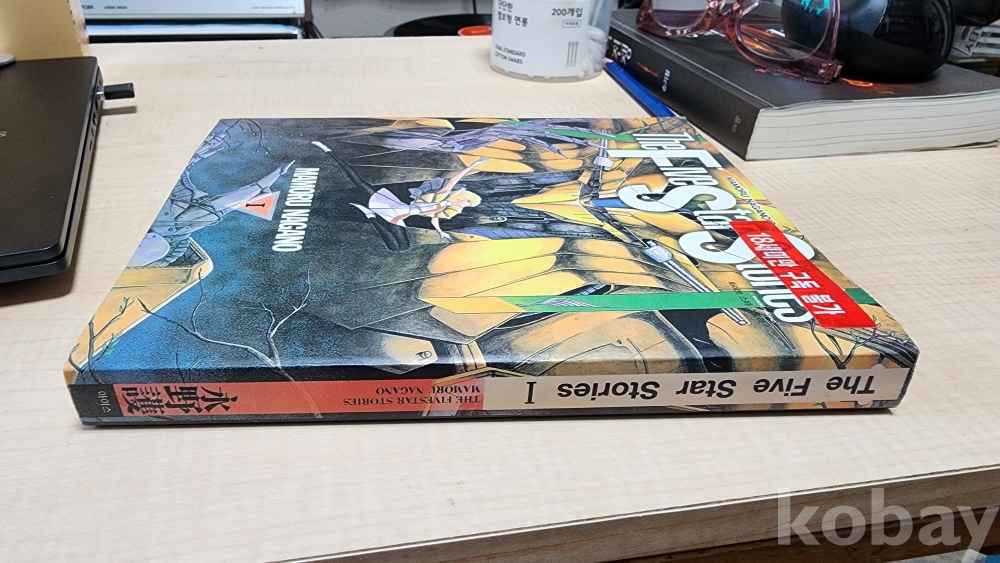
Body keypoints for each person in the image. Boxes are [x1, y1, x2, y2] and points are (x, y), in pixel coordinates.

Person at [351, 157, 487, 240]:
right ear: (464, 197)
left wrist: (441, 232)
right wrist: (473, 165)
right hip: (401, 209)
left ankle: (370, 215)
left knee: (401, 246)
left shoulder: (448, 208)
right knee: (363, 186)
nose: (466, 205)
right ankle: (370, 213)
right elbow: (453, 180)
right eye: (468, 202)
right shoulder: (443, 196)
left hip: (402, 217)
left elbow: (434, 219)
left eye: (469, 205)